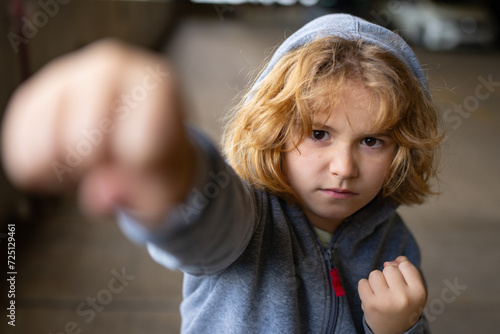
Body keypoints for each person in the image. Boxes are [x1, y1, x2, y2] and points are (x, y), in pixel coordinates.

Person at [2, 14, 442, 334]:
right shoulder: (249, 214)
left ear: (401, 149)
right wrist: (169, 165)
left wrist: (399, 330)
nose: (344, 169)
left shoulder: (395, 243)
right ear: (272, 128)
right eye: (319, 133)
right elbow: (207, 216)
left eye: (372, 141)